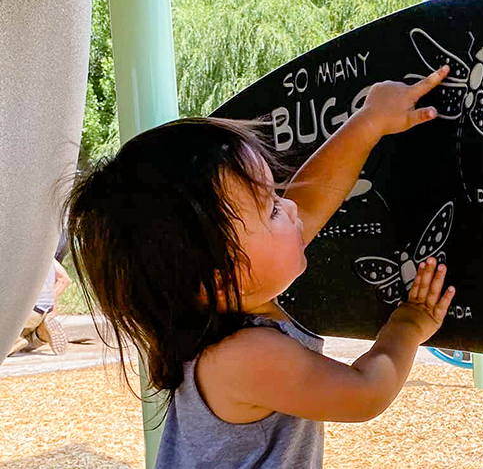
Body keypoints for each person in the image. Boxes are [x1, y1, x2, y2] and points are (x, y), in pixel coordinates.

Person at [63, 66, 455, 468]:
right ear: (221, 279)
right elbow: (366, 393)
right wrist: (408, 324)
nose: (289, 207)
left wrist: (368, 122)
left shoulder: (211, 312)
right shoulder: (244, 356)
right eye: (271, 209)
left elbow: (312, 199)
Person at [7, 257, 70, 356]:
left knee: (17, 334)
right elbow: (64, 279)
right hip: (43, 310)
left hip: (23, 312)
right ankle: (40, 333)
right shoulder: (47, 251)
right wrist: (53, 302)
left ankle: (11, 339)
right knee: (25, 331)